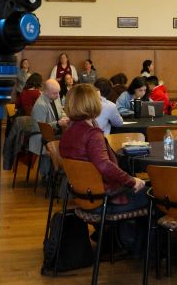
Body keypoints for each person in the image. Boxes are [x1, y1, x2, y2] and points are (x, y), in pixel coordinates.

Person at [59, 84, 147, 255]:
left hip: (83, 196)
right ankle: (144, 252)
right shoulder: (92, 135)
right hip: (104, 200)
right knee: (153, 195)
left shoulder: (68, 133)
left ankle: (118, 241)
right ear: (93, 104)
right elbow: (104, 165)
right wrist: (131, 180)